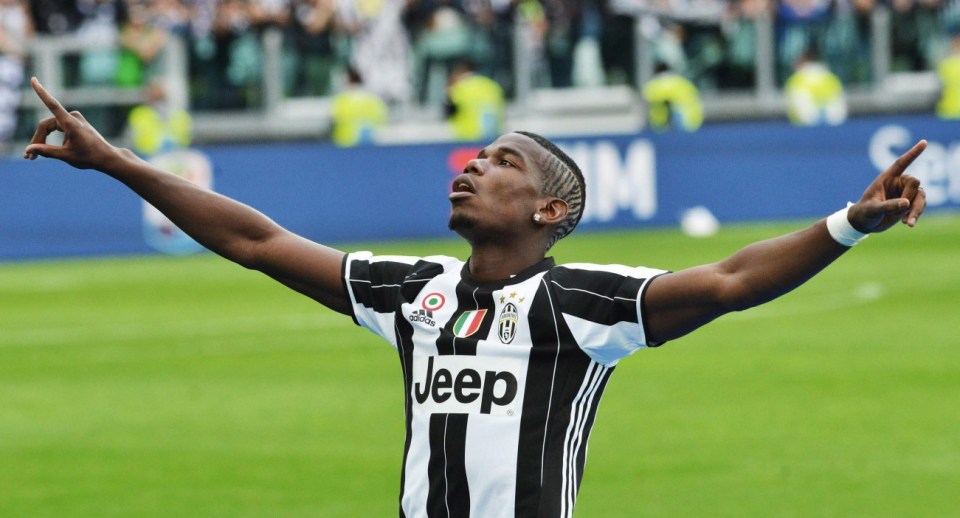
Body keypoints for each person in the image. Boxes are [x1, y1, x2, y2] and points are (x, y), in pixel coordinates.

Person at [23, 77, 927, 517]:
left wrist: (848, 221)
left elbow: (729, 280)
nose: (470, 168)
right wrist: (114, 162)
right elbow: (255, 241)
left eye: (499, 163)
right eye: (475, 157)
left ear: (548, 207)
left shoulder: (584, 303)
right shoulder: (410, 291)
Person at [784, 46, 847, 126]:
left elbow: (798, 110)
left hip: (803, 130)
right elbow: (840, 110)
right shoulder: (832, 78)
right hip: (834, 127)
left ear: (802, 61)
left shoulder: (795, 81)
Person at [444, 59, 505, 141]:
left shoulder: (458, 88)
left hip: (467, 140)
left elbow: (449, 111)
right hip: (493, 139)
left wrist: (448, 89)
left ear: (460, 70)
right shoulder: (491, 85)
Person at [330, 66, 389, 147]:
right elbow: (383, 121)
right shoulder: (374, 99)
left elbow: (334, 120)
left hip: (345, 146)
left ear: (347, 80)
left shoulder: (342, 100)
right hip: (372, 148)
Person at [642, 63, 704, 132]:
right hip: (691, 123)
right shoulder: (684, 83)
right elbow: (696, 100)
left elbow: (647, 103)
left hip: (663, 125)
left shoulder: (652, 86)